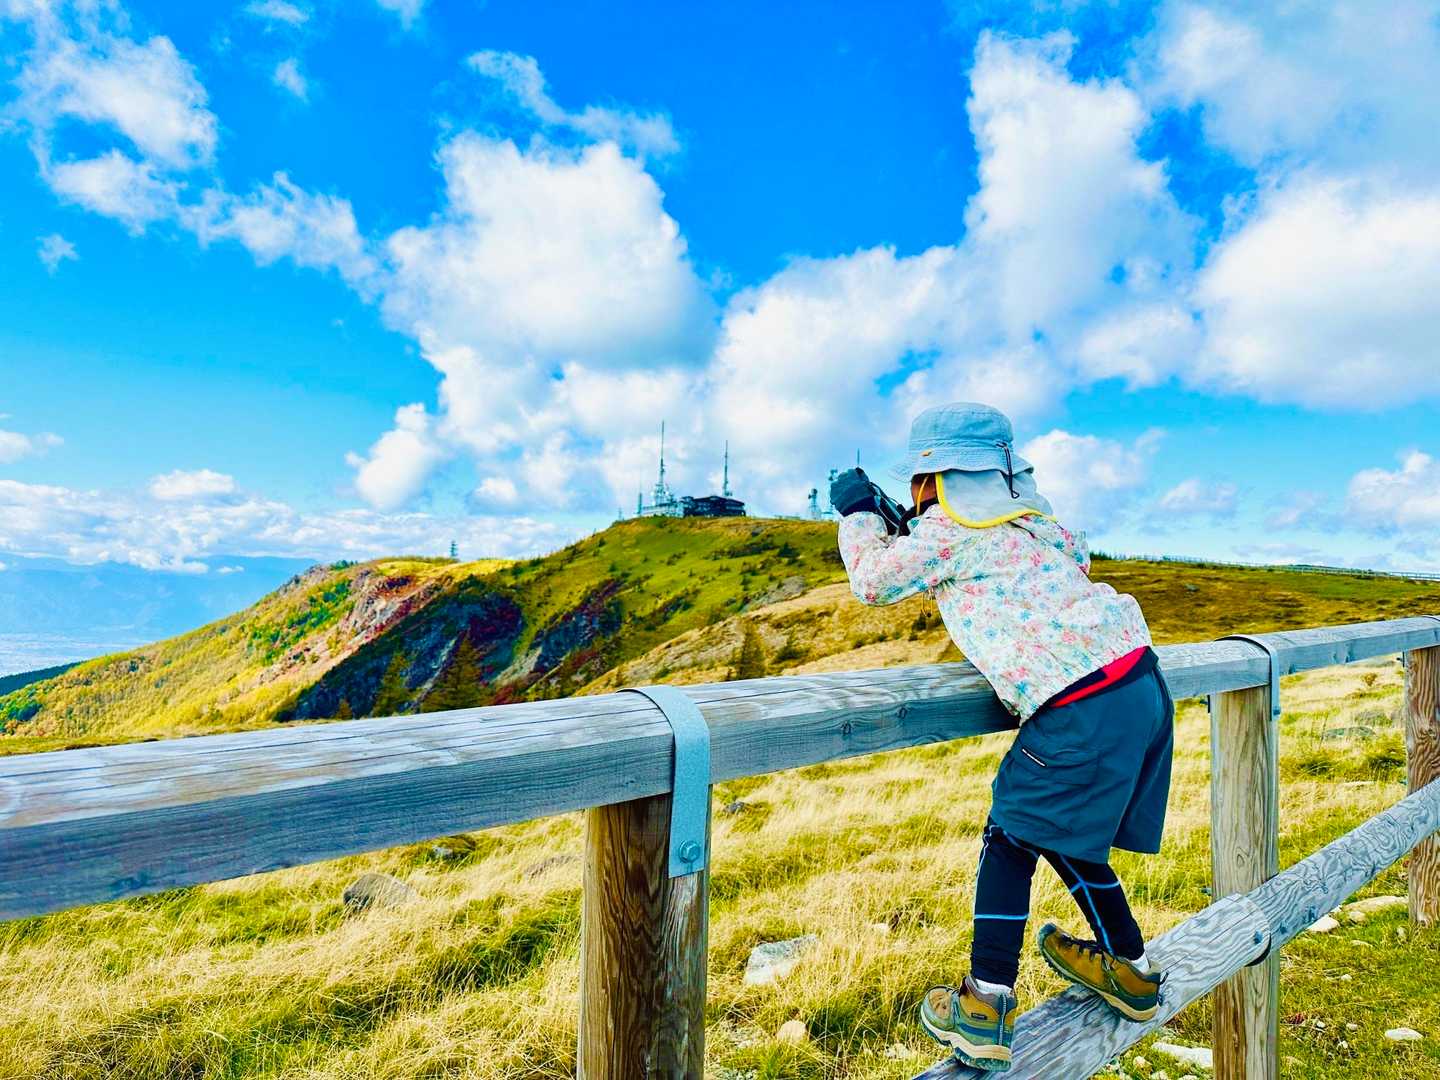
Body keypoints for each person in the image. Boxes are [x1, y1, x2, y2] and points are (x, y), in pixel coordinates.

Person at [830, 402, 1172, 1072]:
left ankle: (985, 1002)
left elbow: (873, 582)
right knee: (1057, 826)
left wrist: (859, 515)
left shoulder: (948, 531)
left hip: (1080, 703)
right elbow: (1027, 562)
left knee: (1011, 836)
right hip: (1139, 683)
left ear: (932, 480)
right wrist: (914, 527)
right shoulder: (1038, 526)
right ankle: (1130, 968)